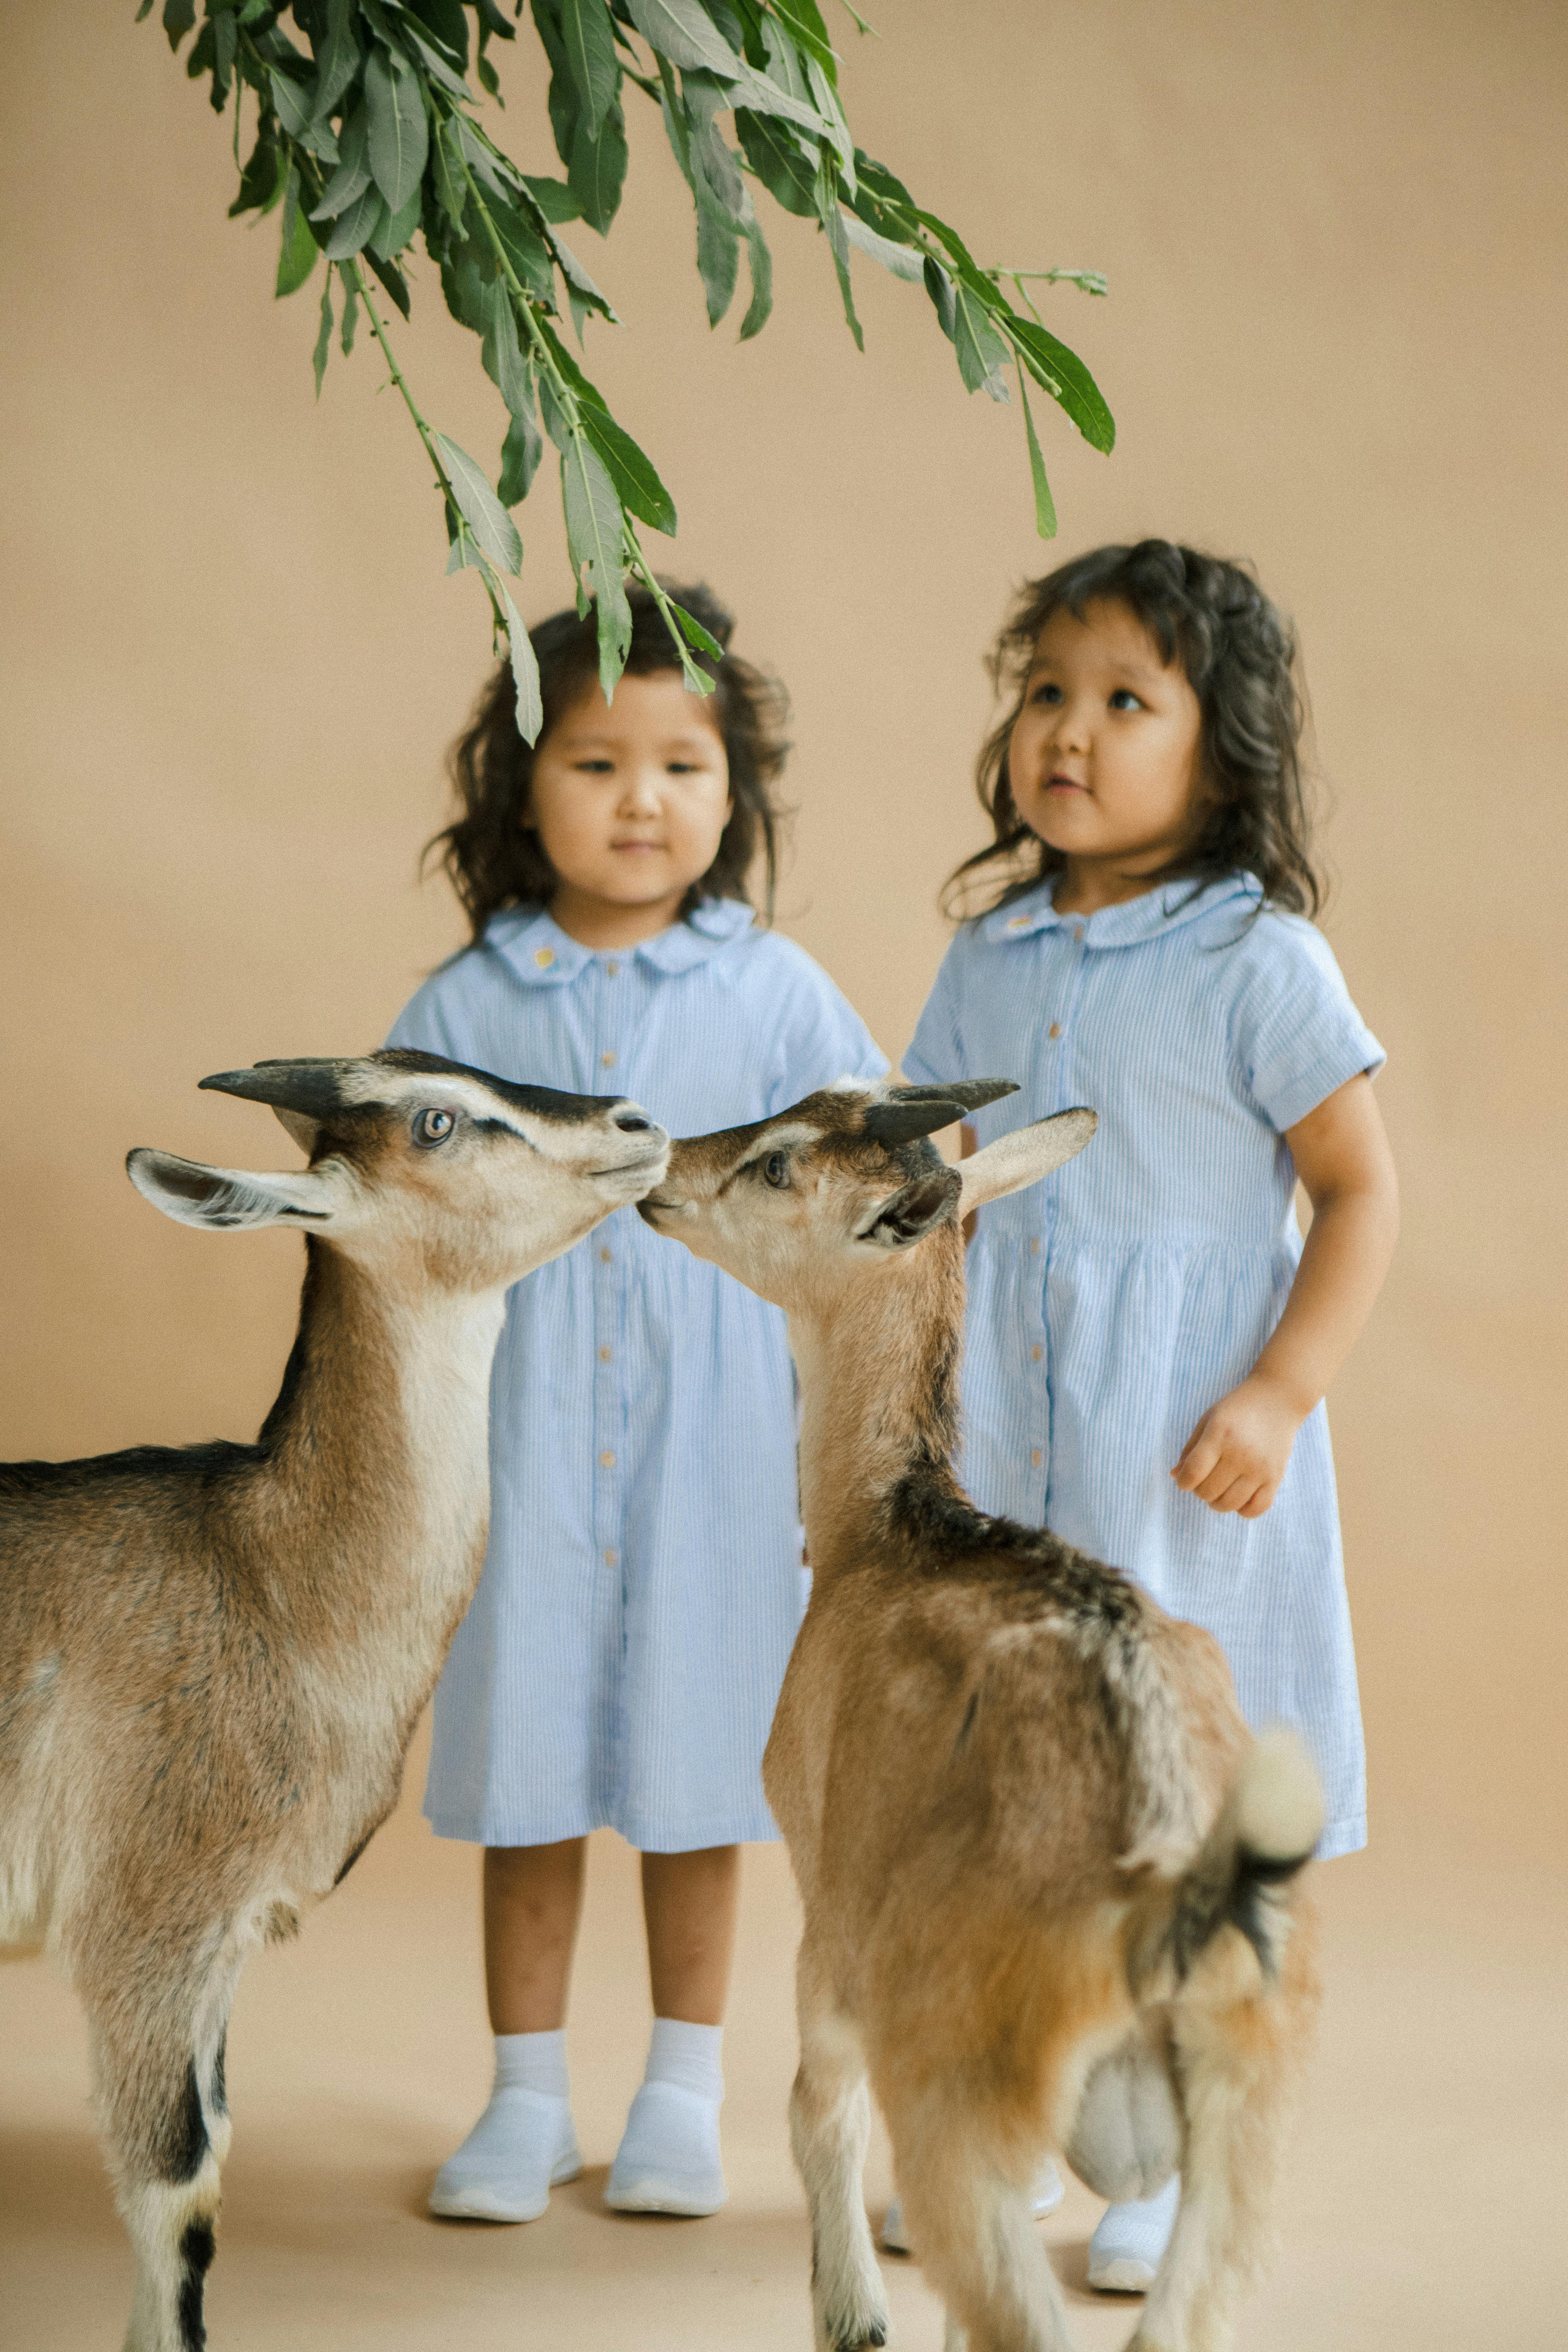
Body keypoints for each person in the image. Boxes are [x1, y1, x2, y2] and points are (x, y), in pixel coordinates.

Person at [896, 540, 1398, 2288]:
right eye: (1044, 691)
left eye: (1125, 701)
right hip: (1013, 1460)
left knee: (1175, 1804)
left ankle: (1180, 2158)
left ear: (1223, 743)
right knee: (1023, 1798)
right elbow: (937, 1173)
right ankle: (1024, 2119)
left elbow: (1356, 1191)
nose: (1069, 732)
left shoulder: (1257, 959)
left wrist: (1278, 1388)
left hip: (1180, 1464)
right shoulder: (989, 953)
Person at [388, 583, 886, 2226]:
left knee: (698, 1759)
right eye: (599, 761)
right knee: (523, 1759)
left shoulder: (774, 992)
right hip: (518, 1443)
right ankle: (523, 2096)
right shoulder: (469, 1004)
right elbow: (383, 1204)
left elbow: (883, 1163)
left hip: (718, 1444)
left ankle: (682, 2087)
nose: (643, 799)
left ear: (732, 793)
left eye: (684, 764)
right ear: (520, 783)